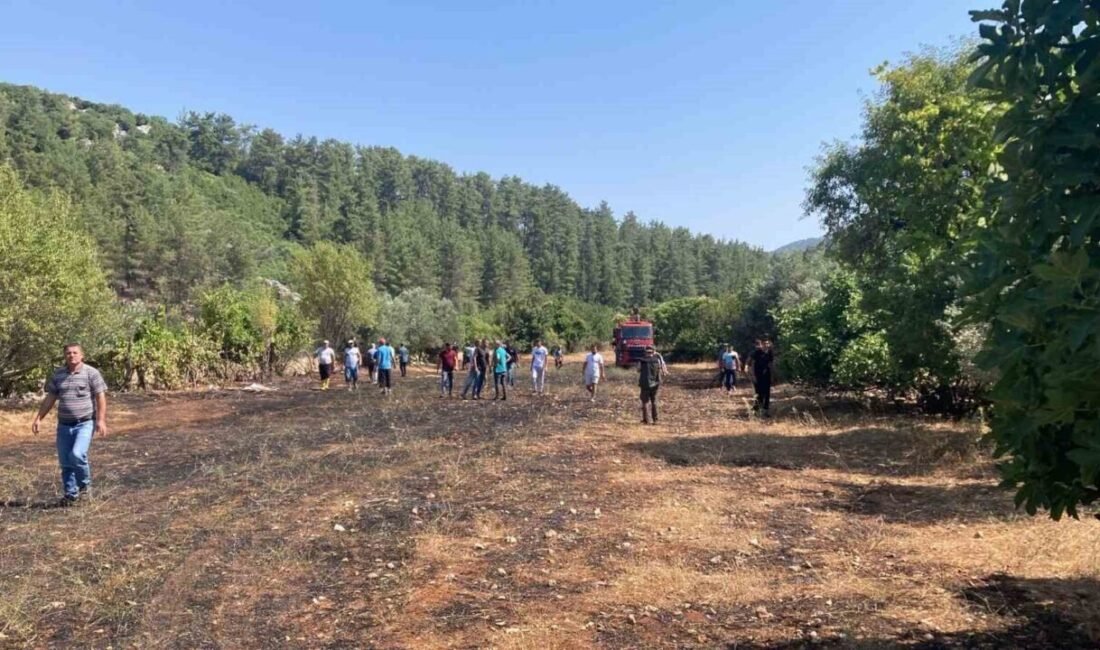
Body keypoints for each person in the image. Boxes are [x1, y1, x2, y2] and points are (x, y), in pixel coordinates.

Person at [30, 343, 108, 506]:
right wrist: (39, 418)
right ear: (65, 356)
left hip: (84, 423)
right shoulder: (58, 375)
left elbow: (100, 397)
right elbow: (50, 398)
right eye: (68, 353)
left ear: (82, 355)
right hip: (64, 425)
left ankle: (85, 489)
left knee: (77, 455)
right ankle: (70, 495)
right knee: (65, 462)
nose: (71, 355)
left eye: (75, 352)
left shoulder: (91, 373)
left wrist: (101, 420)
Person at [747, 338, 775, 416]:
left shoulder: (770, 353)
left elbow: (771, 364)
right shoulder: (757, 353)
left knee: (767, 393)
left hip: (767, 375)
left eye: (768, 343)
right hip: (758, 375)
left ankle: (766, 410)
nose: (766, 345)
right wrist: (753, 375)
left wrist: (772, 375)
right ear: (762, 344)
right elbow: (752, 364)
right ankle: (756, 410)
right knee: (758, 393)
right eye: (765, 343)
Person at [638, 345, 662, 424]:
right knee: (654, 401)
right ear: (653, 352)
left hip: (645, 384)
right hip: (655, 384)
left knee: (645, 402)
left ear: (645, 352)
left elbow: (638, 369)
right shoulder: (657, 360)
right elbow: (660, 370)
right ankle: (656, 420)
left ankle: (646, 420)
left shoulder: (642, 360)